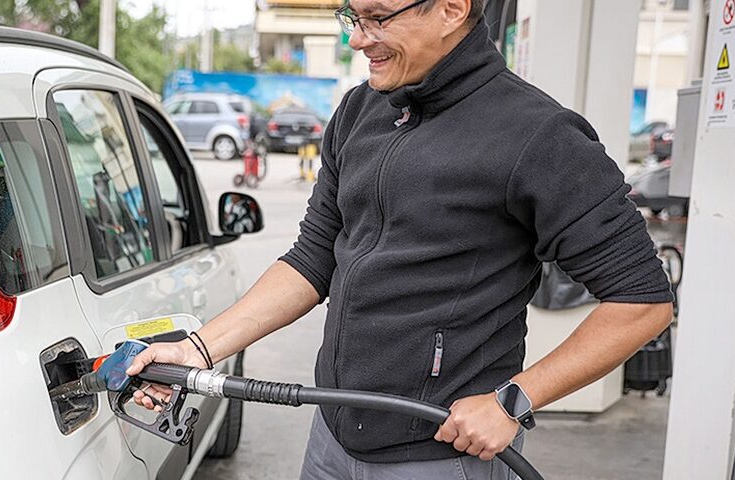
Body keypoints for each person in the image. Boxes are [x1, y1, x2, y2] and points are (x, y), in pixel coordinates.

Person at [127, 0, 675, 478]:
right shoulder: (359, 110)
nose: (357, 38)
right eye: (353, 15)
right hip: (332, 437)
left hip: (441, 455)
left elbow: (642, 302)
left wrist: (514, 401)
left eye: (378, 18)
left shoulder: (539, 135)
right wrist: (197, 350)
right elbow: (312, 259)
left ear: (451, 9)